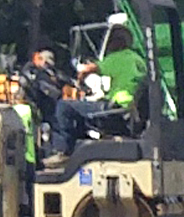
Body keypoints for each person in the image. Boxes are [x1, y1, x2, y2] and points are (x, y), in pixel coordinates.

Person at [42, 26, 146, 167]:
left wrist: (79, 81)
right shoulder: (138, 60)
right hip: (128, 110)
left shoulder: (118, 57)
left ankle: (64, 152)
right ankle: (80, 150)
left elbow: (89, 69)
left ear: (117, 42)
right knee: (81, 109)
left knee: (64, 106)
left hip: (114, 109)